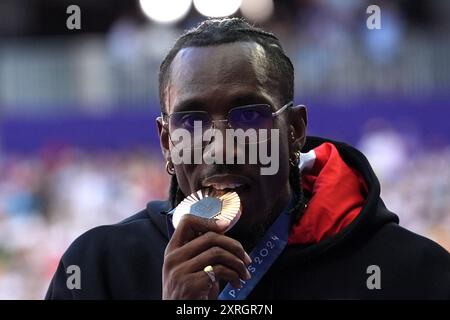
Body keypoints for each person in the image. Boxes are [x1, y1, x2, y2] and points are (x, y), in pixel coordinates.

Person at [46, 18, 450, 300]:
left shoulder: (410, 273)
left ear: (294, 129)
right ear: (167, 140)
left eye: (249, 114)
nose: (221, 144)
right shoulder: (98, 269)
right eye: (192, 119)